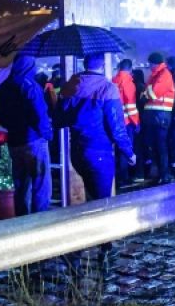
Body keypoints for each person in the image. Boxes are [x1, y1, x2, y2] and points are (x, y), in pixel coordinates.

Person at [54, 53, 135, 202]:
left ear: (85, 64)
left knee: (91, 198)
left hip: (76, 151)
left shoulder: (70, 86)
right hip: (99, 151)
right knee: (102, 204)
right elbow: (117, 128)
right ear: (103, 66)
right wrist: (129, 153)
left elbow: (59, 120)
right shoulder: (107, 88)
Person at [0, 54, 53, 215]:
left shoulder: (2, 88)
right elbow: (40, 114)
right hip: (33, 141)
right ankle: (40, 221)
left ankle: (22, 221)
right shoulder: (30, 86)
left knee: (21, 185)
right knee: (41, 185)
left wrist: (13, 127)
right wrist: (47, 134)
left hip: (14, 141)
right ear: (29, 66)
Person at [141, 52, 175, 184]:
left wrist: (145, 95)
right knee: (155, 145)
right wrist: (146, 94)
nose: (149, 66)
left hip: (161, 115)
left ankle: (164, 175)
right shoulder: (155, 75)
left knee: (161, 146)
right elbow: (147, 92)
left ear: (155, 63)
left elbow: (153, 93)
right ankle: (161, 174)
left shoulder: (164, 74)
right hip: (155, 115)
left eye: (150, 64)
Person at [111, 58, 141, 186]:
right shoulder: (128, 82)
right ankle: (124, 178)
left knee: (116, 149)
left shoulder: (113, 80)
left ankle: (117, 177)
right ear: (130, 69)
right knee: (125, 148)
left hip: (114, 120)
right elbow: (130, 105)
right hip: (127, 121)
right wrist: (136, 122)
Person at [131, 67, 149, 182]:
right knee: (144, 146)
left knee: (137, 147)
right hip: (144, 120)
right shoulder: (144, 87)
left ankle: (139, 173)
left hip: (137, 120)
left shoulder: (136, 87)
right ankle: (146, 170)